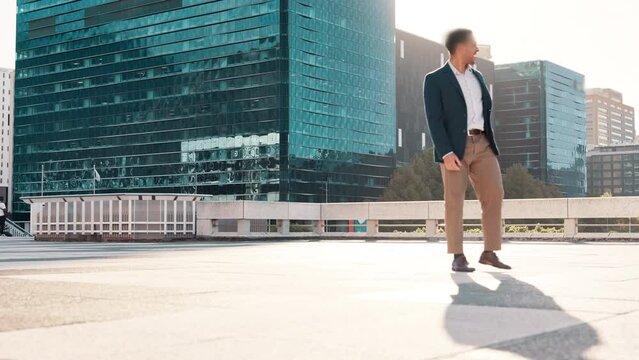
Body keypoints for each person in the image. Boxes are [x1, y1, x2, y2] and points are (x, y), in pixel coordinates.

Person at [423, 28, 511, 272]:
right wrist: (446, 152)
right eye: (474, 44)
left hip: (483, 143)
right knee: (454, 201)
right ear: (460, 46)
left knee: (494, 194)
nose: (477, 49)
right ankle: (458, 255)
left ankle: (489, 252)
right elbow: (434, 119)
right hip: (454, 148)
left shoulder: (478, 77)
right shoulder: (435, 79)